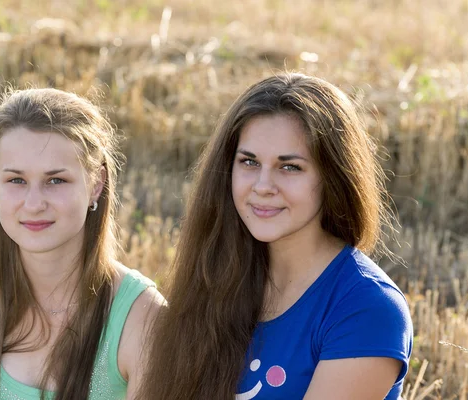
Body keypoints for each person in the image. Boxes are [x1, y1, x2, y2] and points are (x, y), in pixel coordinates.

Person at [137, 73, 413, 400]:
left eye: (290, 167)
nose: (263, 186)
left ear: (333, 176)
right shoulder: (215, 277)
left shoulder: (367, 309)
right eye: (249, 162)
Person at [0, 88, 164, 400]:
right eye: (16, 180)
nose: (34, 203)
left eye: (56, 181)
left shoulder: (143, 318)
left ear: (96, 185)